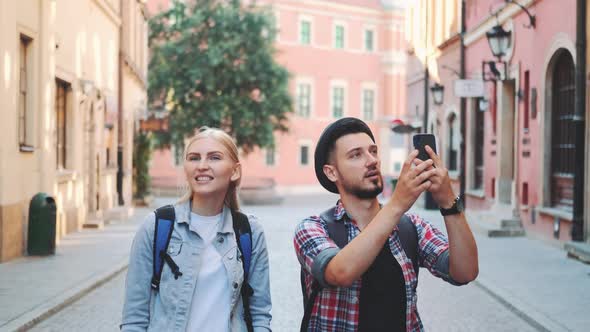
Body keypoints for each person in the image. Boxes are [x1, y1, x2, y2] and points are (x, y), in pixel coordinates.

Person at [294, 117, 479, 331]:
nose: (371, 160)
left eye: (373, 151)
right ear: (331, 172)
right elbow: (339, 272)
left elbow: (465, 272)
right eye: (356, 155)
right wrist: (398, 203)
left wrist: (449, 202)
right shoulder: (313, 228)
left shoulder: (412, 227)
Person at [121, 127, 272, 331]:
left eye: (214, 158)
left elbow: (260, 313)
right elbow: (134, 318)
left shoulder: (249, 232)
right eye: (193, 158)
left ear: (235, 171)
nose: (202, 166)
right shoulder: (157, 226)